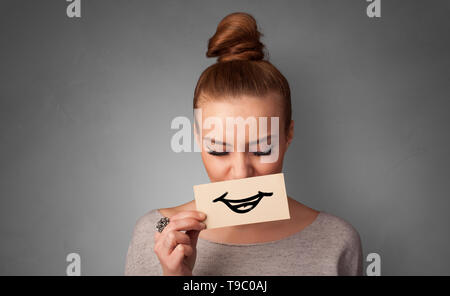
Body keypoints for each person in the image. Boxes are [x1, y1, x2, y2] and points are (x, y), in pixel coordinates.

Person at [125, 12, 363, 276]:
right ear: (198, 139)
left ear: (288, 136)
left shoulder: (336, 241)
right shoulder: (156, 232)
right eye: (219, 149)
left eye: (261, 149)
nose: (240, 173)